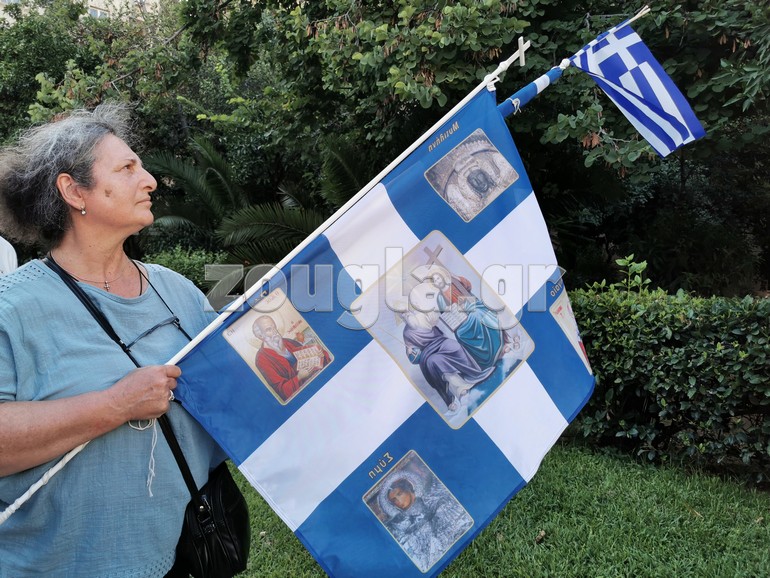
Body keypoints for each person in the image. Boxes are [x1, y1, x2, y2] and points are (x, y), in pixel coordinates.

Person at [0, 103, 226, 577]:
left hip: (176, 558)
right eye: (127, 168)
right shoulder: (12, 309)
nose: (150, 181)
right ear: (73, 191)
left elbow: (229, 396)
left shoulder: (176, 291)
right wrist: (116, 405)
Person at [382, 475, 473, 572]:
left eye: (399, 494)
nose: (398, 501)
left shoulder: (433, 502)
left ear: (408, 488)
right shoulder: (401, 525)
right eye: (394, 500)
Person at [252, 314, 329, 401]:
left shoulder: (288, 342)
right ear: (260, 336)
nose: (275, 332)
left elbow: (310, 356)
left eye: (274, 327)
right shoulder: (262, 360)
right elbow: (282, 391)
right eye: (269, 330)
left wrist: (319, 354)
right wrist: (299, 377)